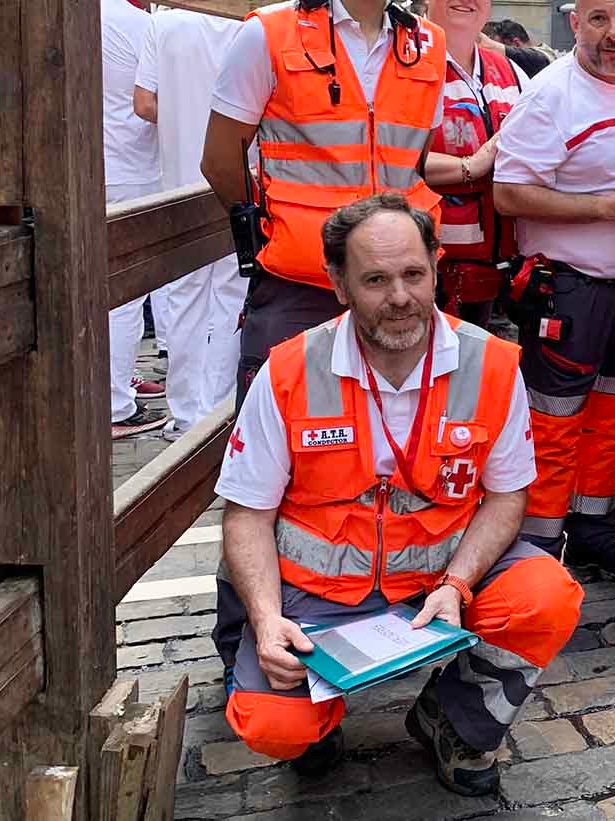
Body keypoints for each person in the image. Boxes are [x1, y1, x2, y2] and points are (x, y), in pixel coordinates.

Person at [214, 194, 583, 795]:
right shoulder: (288, 371)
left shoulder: (491, 364)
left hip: (441, 580)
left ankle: (454, 720)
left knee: (545, 595)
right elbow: (247, 513)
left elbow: (506, 496)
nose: (401, 297)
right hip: (317, 596)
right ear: (339, 284)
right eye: (376, 280)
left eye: (414, 274)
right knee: (274, 725)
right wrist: (266, 619)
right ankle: (314, 718)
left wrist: (459, 583)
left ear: (437, 267)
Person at [202, 0, 449, 402]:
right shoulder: (267, 34)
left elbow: (414, 161)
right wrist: (275, 225)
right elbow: (221, 160)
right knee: (281, 455)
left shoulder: (428, 46)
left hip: (400, 291)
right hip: (302, 282)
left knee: (396, 445)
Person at [493, 0, 615, 572]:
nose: (613, 34)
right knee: (554, 422)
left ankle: (593, 530)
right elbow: (509, 193)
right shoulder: (550, 96)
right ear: (574, 25)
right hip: (569, 287)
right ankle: (538, 549)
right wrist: (605, 207)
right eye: (599, 20)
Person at [134, 6, 247, 437]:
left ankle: (184, 414)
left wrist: (184, 113)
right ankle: (220, 410)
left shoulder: (162, 24)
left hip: (179, 179)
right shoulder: (247, 23)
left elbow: (144, 102)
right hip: (236, 176)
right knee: (232, 296)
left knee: (183, 300)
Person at [415, 0, 530, 328]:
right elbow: (390, 158)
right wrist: (474, 164)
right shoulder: (405, 64)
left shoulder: (510, 72)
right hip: (429, 275)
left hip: (500, 278)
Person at [102, 0, 173, 440]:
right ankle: (114, 405)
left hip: (91, 161)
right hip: (131, 167)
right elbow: (151, 102)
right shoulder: (137, 22)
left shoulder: (85, 6)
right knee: (124, 293)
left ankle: (113, 383)